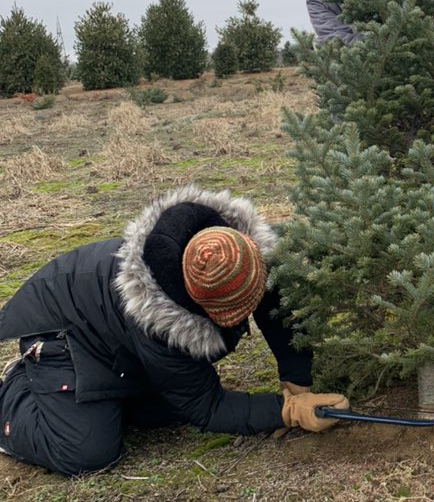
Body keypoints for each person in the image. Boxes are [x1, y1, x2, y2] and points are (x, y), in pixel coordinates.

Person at [0, 185, 348, 476]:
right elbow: (205, 407)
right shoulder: (157, 316)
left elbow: (276, 309)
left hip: (115, 336)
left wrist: (296, 383)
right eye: (227, 314)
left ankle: (110, 395)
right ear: (194, 299)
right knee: (87, 452)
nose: (239, 320)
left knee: (161, 411)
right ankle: (15, 394)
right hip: (63, 336)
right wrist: (285, 411)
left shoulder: (241, 251)